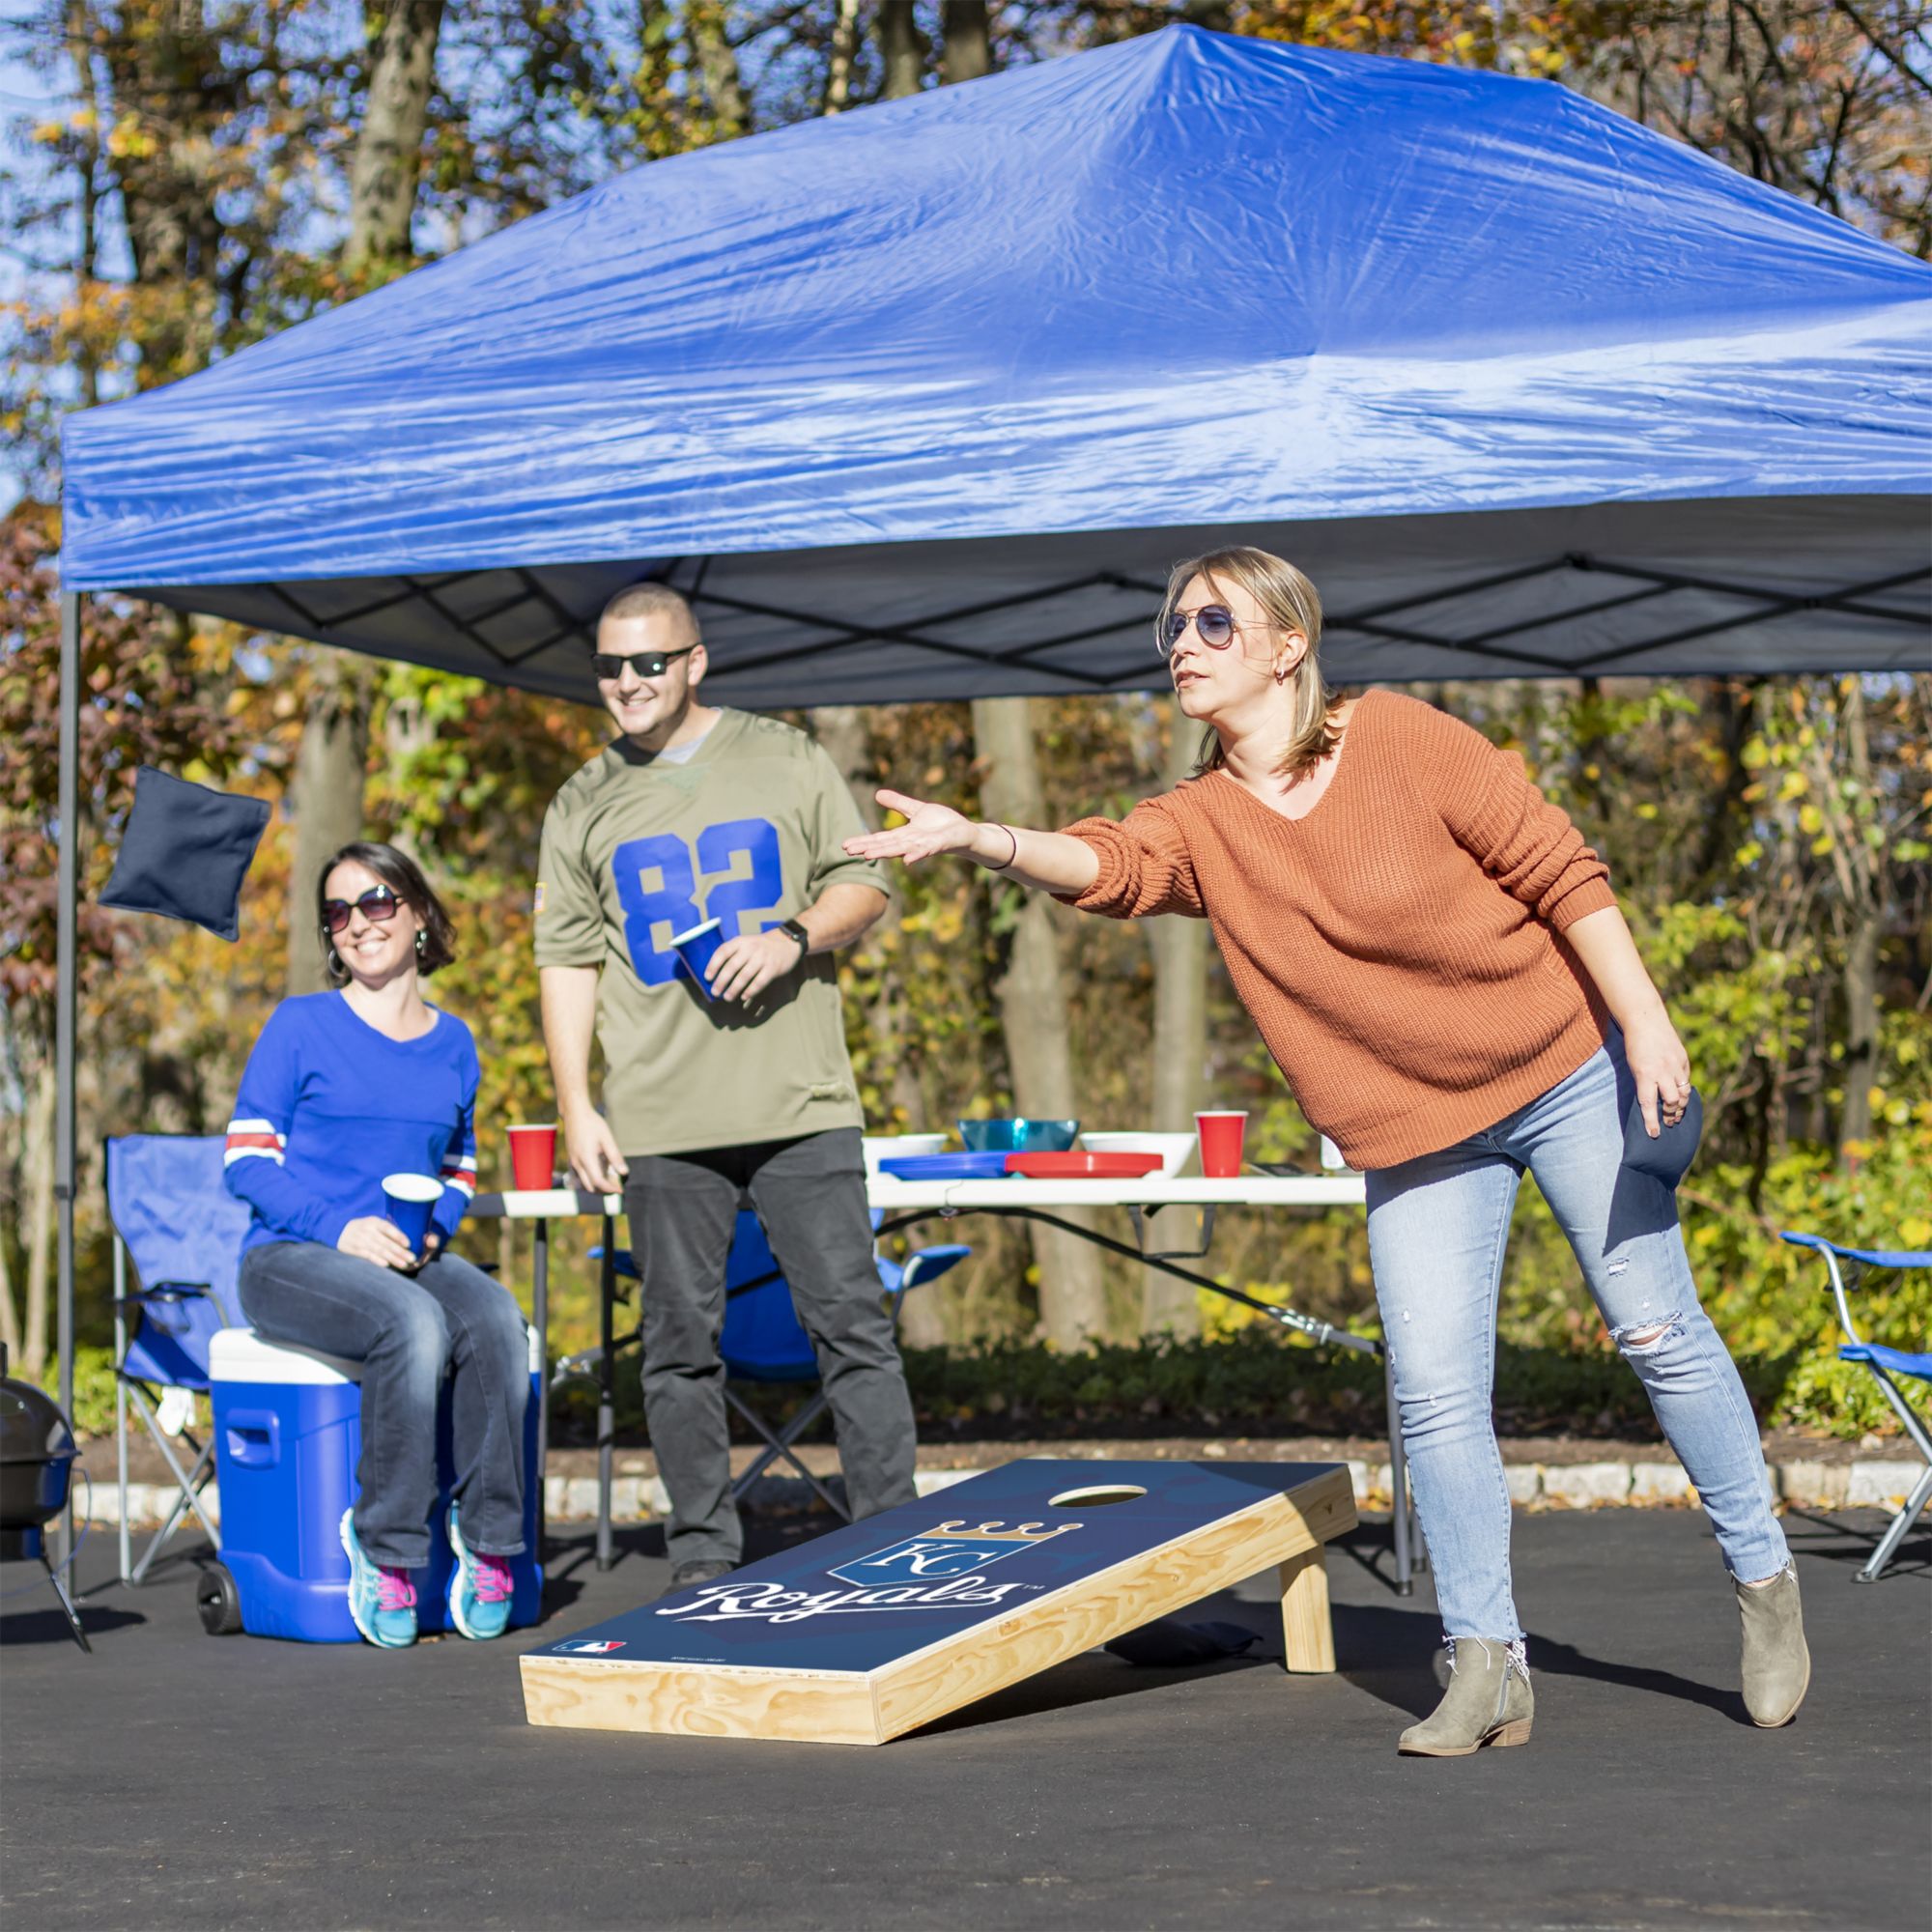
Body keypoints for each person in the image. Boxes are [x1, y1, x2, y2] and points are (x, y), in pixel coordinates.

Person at [843, 545, 1808, 1755]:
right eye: (1170, 630)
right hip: (1412, 1127)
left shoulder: (1403, 736)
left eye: (1209, 621)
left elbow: (1558, 868)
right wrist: (986, 837)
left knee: (1656, 1333)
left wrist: (1642, 1017)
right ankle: (1485, 1659)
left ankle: (1764, 1582)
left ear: (1288, 642)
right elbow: (1113, 865)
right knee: (1435, 1394)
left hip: (1560, 1068)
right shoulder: (1199, 820)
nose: (1180, 644)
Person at [536, 582, 918, 1596]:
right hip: (661, 1119)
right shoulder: (580, 800)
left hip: (800, 1104)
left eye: (648, 662)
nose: (628, 683)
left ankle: (893, 1541)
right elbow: (567, 959)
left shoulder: (783, 755)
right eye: (611, 667)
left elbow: (865, 883)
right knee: (674, 1350)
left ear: (695, 662)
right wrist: (577, 1102)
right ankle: (703, 1558)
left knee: (852, 1328)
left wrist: (791, 936)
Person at [225, 841, 528, 1650]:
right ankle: (387, 1547)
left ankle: (490, 1542)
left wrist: (440, 1226)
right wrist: (339, 1228)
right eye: (338, 910)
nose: (358, 922)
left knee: (498, 1317)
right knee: (412, 1323)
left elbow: (460, 1166)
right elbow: (246, 1160)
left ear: (420, 913)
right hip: (291, 1258)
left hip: (407, 1256)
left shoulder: (454, 1041)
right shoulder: (300, 1025)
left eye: (377, 902)